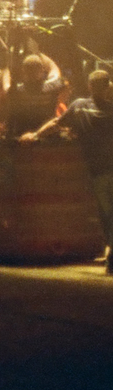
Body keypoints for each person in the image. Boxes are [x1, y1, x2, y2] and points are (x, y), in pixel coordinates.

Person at [20, 68, 113, 275]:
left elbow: (55, 124)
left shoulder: (79, 107)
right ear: (108, 88)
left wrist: (35, 136)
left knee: (107, 214)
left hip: (98, 172)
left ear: (89, 86)